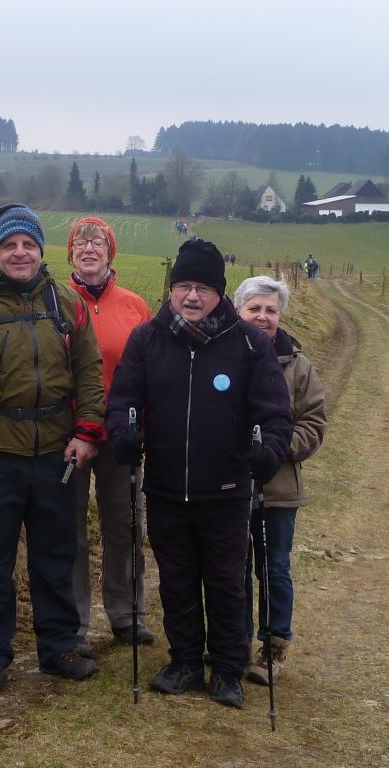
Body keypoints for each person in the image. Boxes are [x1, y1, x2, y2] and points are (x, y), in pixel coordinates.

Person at [106, 239, 293, 709]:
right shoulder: (147, 339)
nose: (192, 296)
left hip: (228, 489)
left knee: (227, 582)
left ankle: (228, 668)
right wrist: (124, 433)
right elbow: (124, 400)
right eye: (184, 286)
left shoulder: (249, 343)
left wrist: (270, 449)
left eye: (203, 288)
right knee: (177, 578)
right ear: (172, 289)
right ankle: (185, 660)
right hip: (166, 487)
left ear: (220, 294)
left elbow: (274, 410)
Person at [0, 203, 106, 692]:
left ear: (40, 251)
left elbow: (90, 371)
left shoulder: (65, 303)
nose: (19, 253)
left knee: (55, 554)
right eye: (10, 246)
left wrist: (86, 431)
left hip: (57, 451)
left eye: (28, 245)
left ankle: (58, 647)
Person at [65, 217, 154, 653]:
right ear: (70, 254)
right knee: (71, 530)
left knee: (125, 524)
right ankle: (73, 621)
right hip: (69, 435)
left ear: (110, 251)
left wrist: (148, 427)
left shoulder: (135, 306)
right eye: (80, 243)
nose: (88, 249)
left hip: (123, 434)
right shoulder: (57, 301)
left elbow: (154, 369)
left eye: (97, 242)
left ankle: (127, 612)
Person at [234, 276, 326, 685]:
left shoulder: (297, 365)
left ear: (280, 315)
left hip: (279, 487)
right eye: (254, 308)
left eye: (270, 310)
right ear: (238, 311)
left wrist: (275, 447)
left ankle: (274, 645)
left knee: (273, 568)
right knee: (232, 567)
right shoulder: (222, 355)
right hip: (229, 485)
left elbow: (313, 422)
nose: (262, 317)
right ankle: (235, 642)